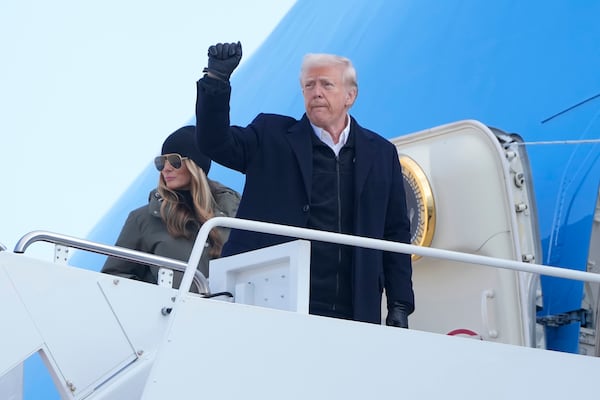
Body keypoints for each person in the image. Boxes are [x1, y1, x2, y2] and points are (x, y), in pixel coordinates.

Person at [195, 42, 413, 327]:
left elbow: (394, 231)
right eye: (309, 85)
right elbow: (215, 142)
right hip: (276, 300)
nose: (317, 93)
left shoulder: (381, 153)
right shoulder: (270, 135)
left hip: (355, 308)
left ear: (350, 95)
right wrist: (216, 81)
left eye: (326, 84)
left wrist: (399, 305)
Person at [101, 125, 240, 291]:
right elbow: (113, 277)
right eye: (161, 162)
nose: (166, 168)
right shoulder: (143, 219)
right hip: (173, 314)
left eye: (175, 161)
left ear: (196, 165)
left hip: (234, 312)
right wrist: (159, 295)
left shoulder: (235, 213)